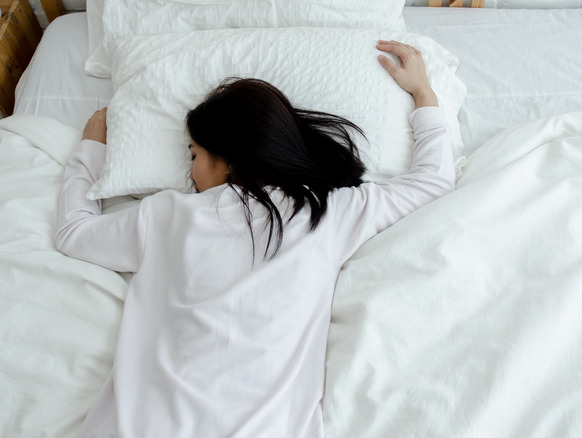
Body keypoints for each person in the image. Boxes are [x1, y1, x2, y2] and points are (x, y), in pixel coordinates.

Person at [56, 40, 454, 437]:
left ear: (228, 159)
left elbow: (73, 233)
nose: (190, 172)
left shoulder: (166, 215)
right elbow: (432, 180)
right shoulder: (326, 212)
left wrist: (90, 151)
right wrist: (423, 93)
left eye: (194, 154)